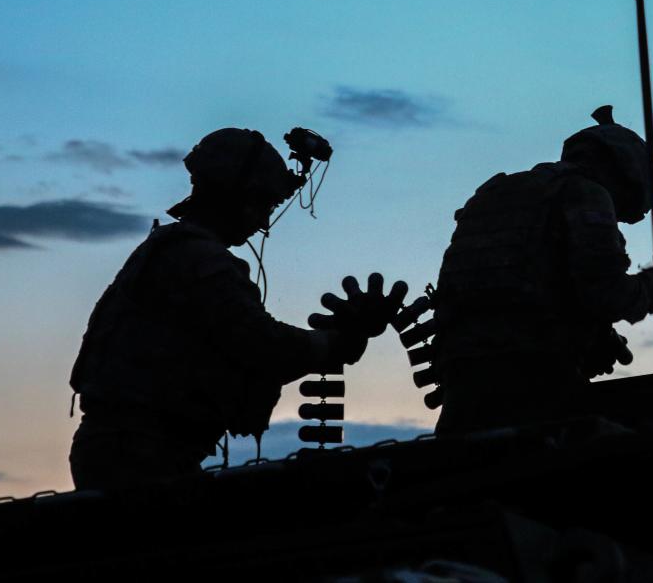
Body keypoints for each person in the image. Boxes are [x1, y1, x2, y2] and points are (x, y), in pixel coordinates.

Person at [68, 127, 406, 490]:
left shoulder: (173, 249)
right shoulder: (198, 258)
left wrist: (334, 339)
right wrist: (336, 343)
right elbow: (261, 344)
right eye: (263, 204)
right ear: (234, 196)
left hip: (136, 449)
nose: (263, 221)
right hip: (139, 453)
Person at [431, 106, 653, 433]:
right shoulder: (586, 193)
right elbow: (606, 292)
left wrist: (592, 335)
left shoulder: (496, 193)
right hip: (534, 380)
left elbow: (515, 281)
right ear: (623, 173)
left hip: (461, 379)